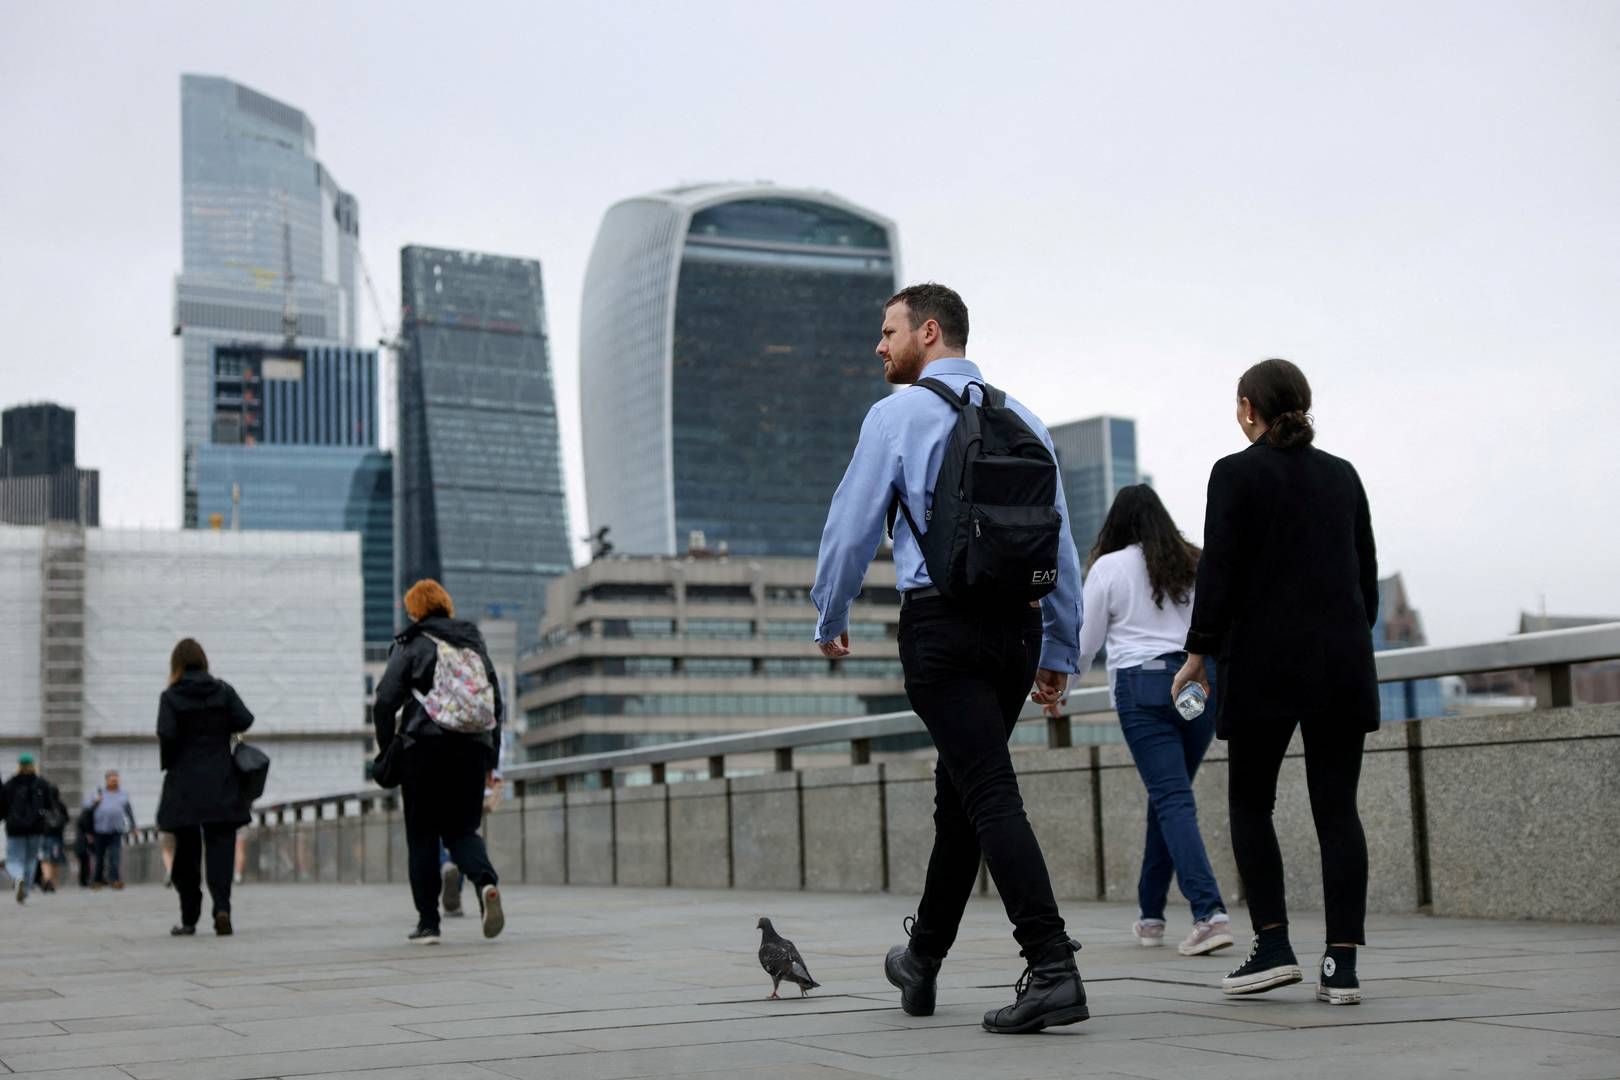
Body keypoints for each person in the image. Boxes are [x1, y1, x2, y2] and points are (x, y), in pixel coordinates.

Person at [813, 283, 1088, 1034]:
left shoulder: (896, 415)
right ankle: (923, 959)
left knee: (988, 791)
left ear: (928, 332)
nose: (880, 345)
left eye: (888, 330)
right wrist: (1060, 645)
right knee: (961, 797)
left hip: (944, 631)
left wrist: (829, 612)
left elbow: (851, 524)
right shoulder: (1022, 416)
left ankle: (1054, 965)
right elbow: (1057, 540)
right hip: (1017, 635)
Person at [1172, 358, 1378, 1007]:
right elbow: (1365, 581)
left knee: (1250, 803)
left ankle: (1273, 945)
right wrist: (1342, 634)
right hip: (1340, 664)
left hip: (1261, 663)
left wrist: (1199, 652)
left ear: (1247, 409)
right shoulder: (1343, 476)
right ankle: (1340, 966)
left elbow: (1220, 573)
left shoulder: (1234, 474)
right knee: (1337, 810)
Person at [1071, 485, 1231, 956]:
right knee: (1168, 795)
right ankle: (1150, 915)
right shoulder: (1194, 561)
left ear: (1117, 524)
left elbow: (1086, 641)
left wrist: (1063, 689)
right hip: (1199, 683)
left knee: (1171, 796)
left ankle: (1209, 912)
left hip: (1142, 687)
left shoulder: (1109, 567)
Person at [373, 579, 505, 944]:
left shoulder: (411, 644)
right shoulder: (473, 643)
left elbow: (385, 702)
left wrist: (388, 750)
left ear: (414, 610)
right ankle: (486, 883)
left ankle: (429, 923)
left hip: (423, 751)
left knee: (423, 836)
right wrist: (490, 757)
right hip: (472, 750)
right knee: (462, 831)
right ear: (446, 605)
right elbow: (496, 702)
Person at [156, 637, 255, 936]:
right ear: (204, 661)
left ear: (176, 665)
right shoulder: (222, 690)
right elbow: (245, 719)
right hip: (221, 780)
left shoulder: (171, 697)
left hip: (184, 784)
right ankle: (222, 908)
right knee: (221, 848)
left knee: (185, 854)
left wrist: (173, 763)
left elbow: (167, 736)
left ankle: (189, 918)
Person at [1, 754, 56, 904]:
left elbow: (2, 806)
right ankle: (25, 891)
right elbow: (50, 805)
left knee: (13, 859)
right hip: (36, 828)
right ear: (33, 765)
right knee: (31, 859)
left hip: (14, 828)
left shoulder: (10, 784)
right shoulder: (42, 783)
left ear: (18, 766)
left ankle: (18, 878)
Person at [91, 770, 137, 890]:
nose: (114, 782)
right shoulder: (99, 793)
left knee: (115, 857)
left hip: (116, 830)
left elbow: (129, 812)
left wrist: (133, 827)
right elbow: (88, 811)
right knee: (99, 857)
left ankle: (115, 880)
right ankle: (97, 880)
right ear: (107, 781)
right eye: (112, 780)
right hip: (100, 830)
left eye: (116, 779)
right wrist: (95, 802)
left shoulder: (123, 795)